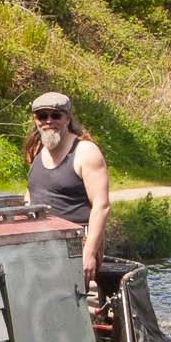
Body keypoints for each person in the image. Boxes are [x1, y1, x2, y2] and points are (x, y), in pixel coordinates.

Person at [24, 91, 109, 285]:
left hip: (76, 245)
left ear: (68, 118)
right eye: (42, 116)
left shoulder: (85, 152)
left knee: (79, 301)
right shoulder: (37, 149)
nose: (49, 121)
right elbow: (31, 192)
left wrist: (89, 253)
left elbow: (101, 206)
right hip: (40, 246)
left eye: (56, 115)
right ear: (35, 120)